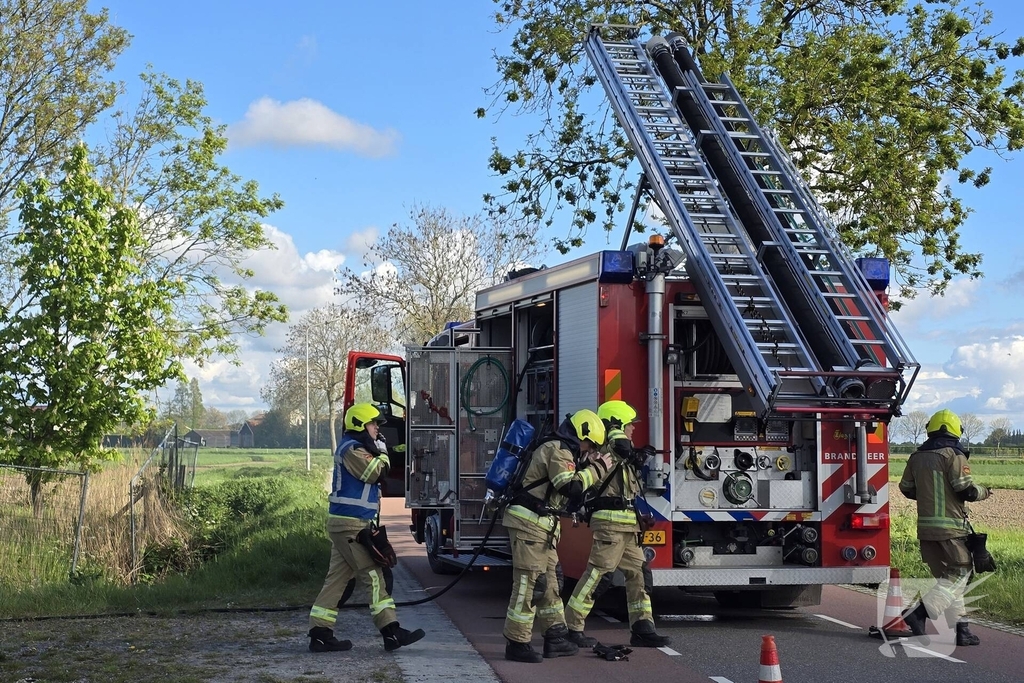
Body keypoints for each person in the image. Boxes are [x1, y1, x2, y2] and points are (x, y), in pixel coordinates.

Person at [307, 403, 425, 653]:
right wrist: (382, 451)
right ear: (360, 425)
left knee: (336, 580)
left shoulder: (354, 447)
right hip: (351, 524)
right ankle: (391, 633)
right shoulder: (353, 449)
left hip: (347, 523)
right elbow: (376, 472)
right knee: (373, 577)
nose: (377, 429)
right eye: (373, 424)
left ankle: (320, 634)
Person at [503, 409, 611, 663]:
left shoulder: (563, 451)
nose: (588, 450)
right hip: (529, 525)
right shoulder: (558, 449)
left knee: (550, 584)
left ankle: (555, 636)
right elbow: (569, 486)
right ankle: (517, 643)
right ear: (582, 435)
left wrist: (586, 466)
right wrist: (597, 468)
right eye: (590, 445)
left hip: (541, 527)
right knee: (529, 585)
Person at [564, 400, 671, 649]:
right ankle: (571, 627)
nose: (633, 429)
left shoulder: (622, 450)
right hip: (611, 526)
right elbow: (618, 446)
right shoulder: (608, 447)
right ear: (618, 425)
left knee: (639, 575)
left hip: (627, 526)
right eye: (629, 424)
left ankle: (642, 628)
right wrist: (618, 435)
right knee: (597, 576)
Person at [898, 408, 992, 646]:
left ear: (930, 429)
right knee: (959, 574)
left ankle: (963, 631)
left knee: (949, 581)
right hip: (951, 529)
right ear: (956, 430)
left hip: (926, 530)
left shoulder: (916, 457)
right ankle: (918, 613)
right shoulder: (954, 455)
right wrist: (984, 492)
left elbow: (906, 488)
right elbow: (965, 489)